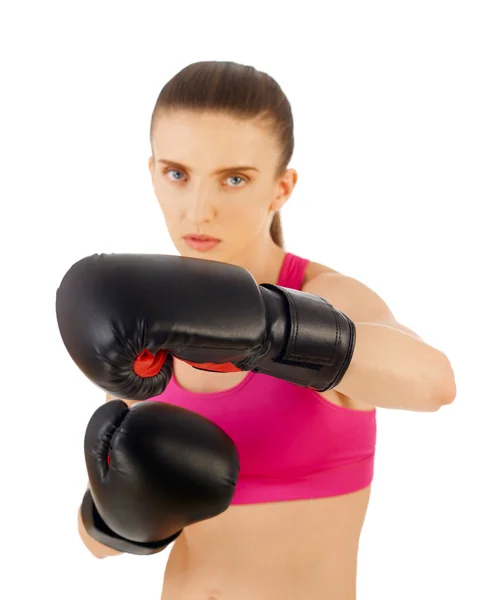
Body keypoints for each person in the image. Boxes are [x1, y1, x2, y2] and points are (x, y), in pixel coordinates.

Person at [60, 61, 457, 599]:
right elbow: (95, 543)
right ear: (152, 173)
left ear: (281, 187)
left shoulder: (328, 298)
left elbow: (435, 384)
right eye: (178, 174)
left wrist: (267, 330)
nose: (200, 209)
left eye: (235, 178)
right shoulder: (145, 329)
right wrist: (123, 517)